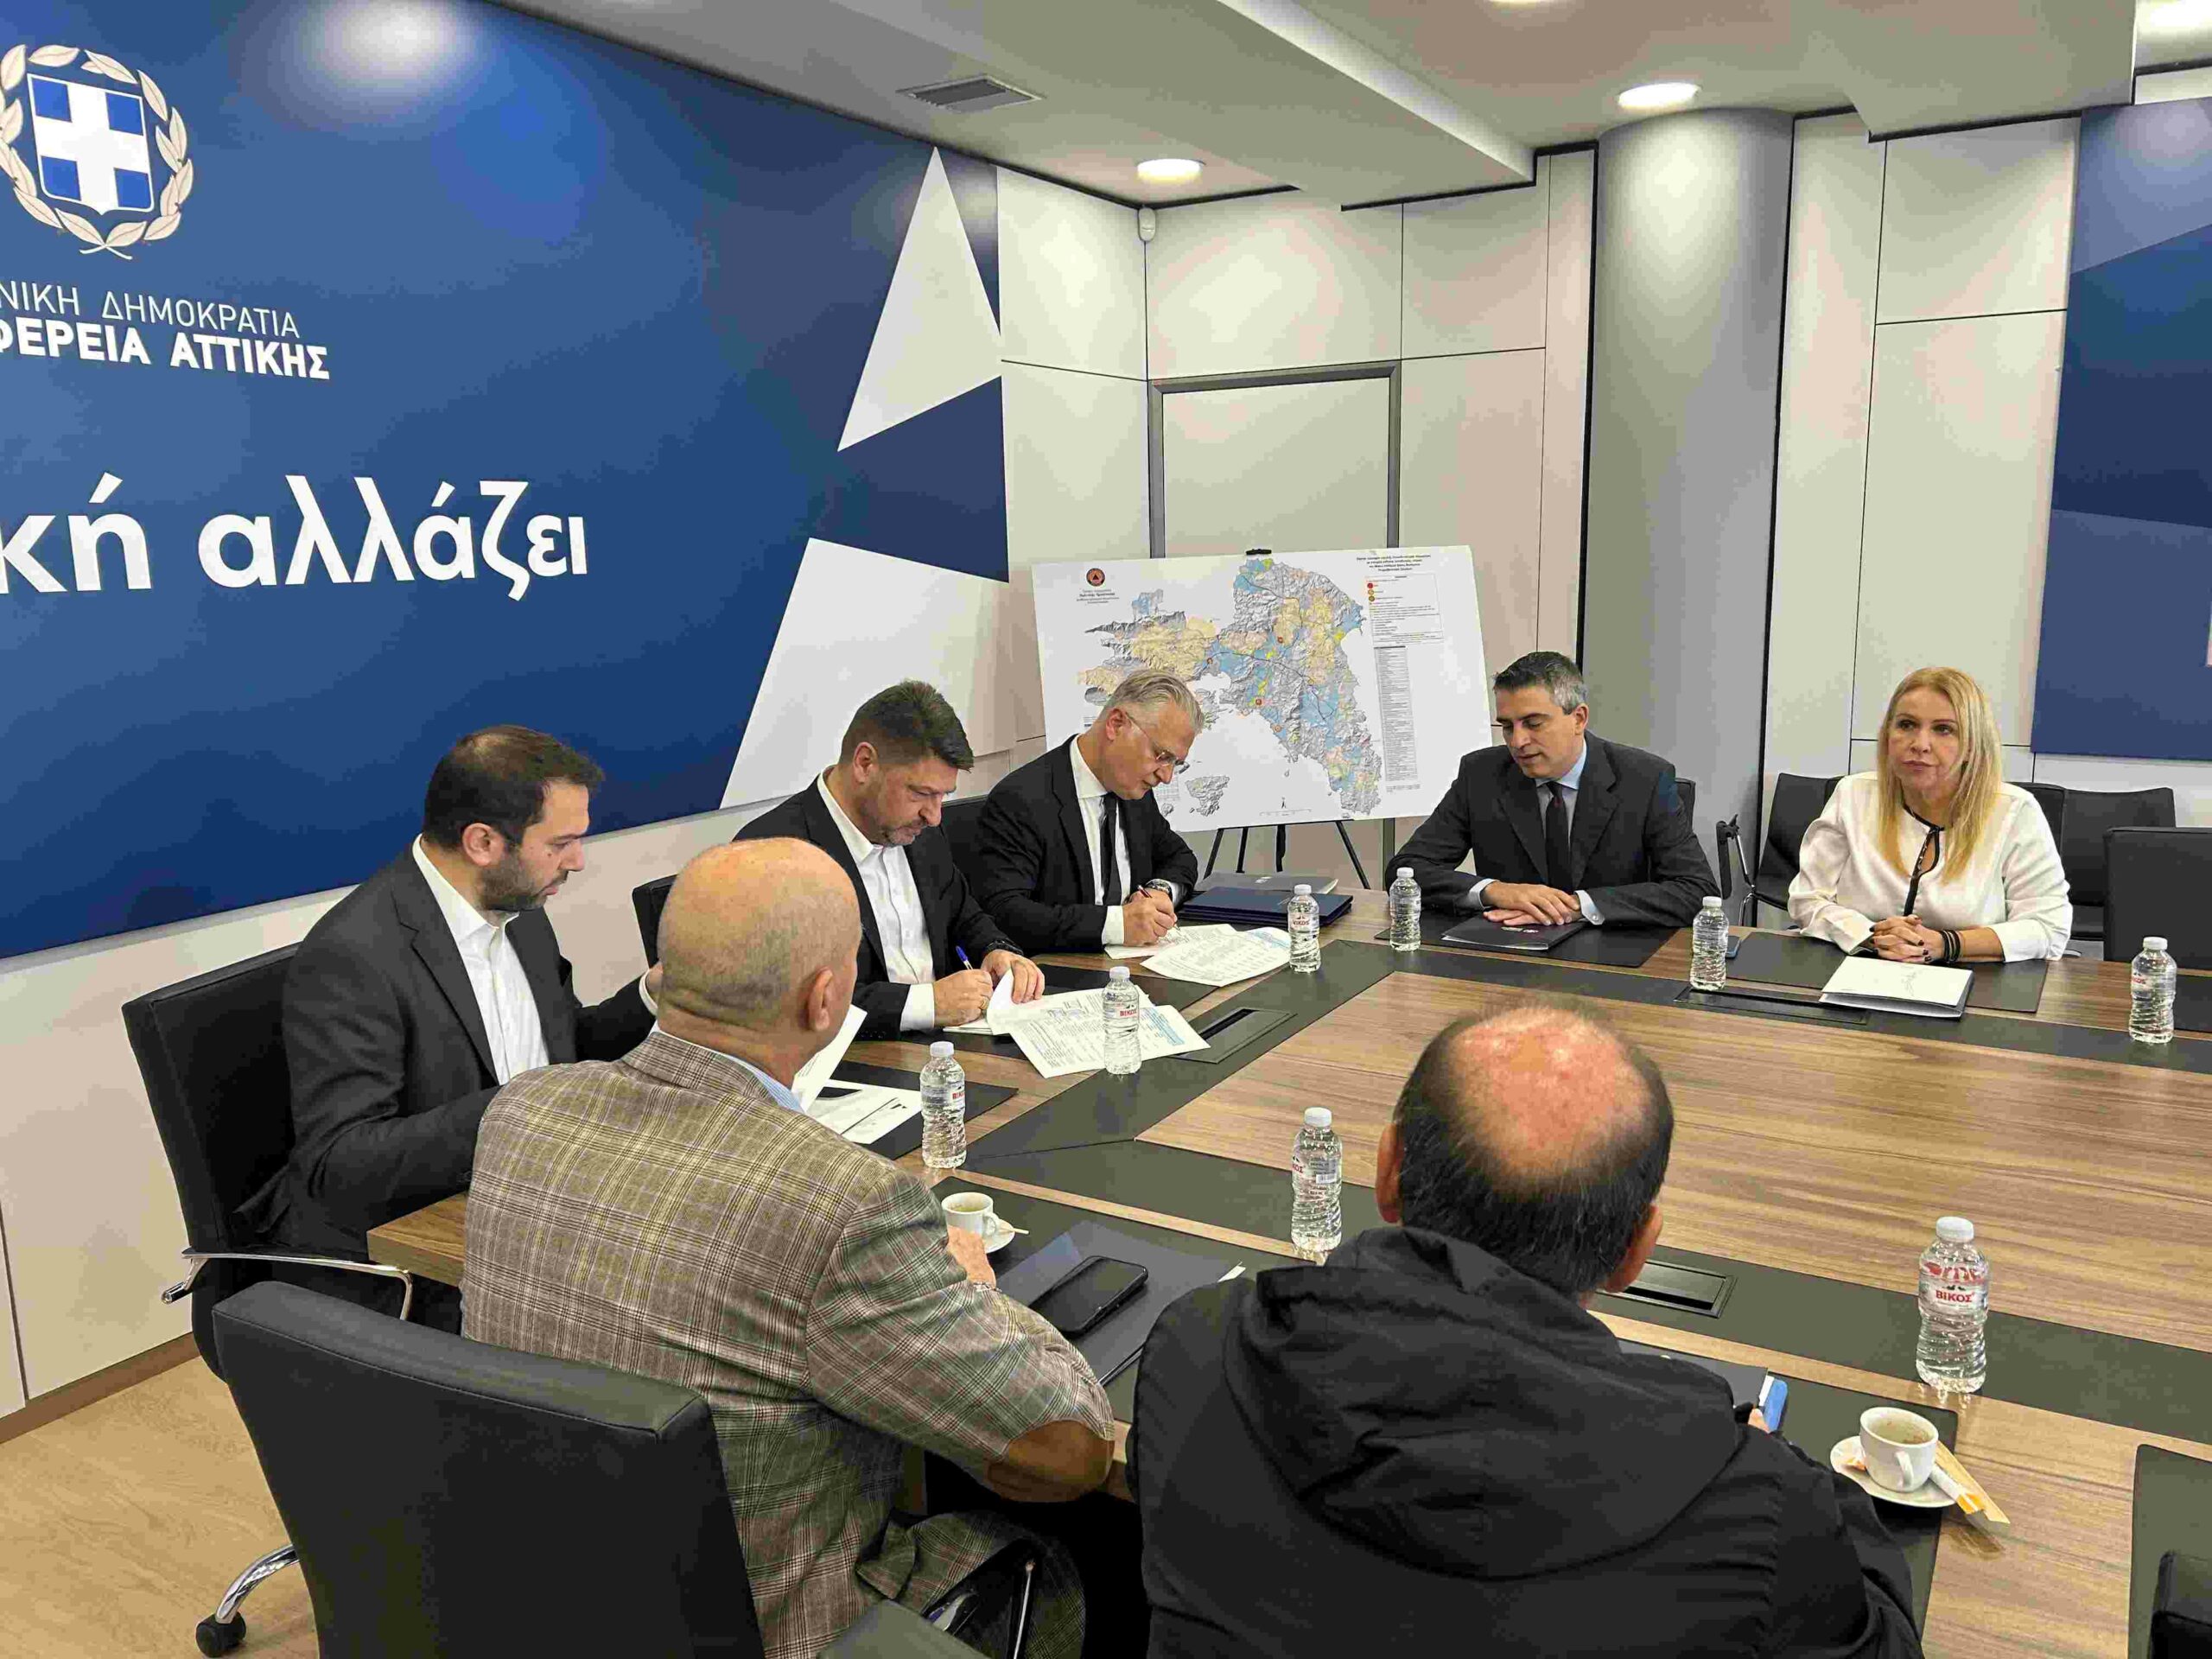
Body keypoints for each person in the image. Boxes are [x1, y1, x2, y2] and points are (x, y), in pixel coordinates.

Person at [464, 841, 1115, 1659]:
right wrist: (970, 1286)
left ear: (663, 974)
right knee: (1071, 1562)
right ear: (826, 999)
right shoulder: (844, 1204)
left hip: (533, 1595)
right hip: (768, 1629)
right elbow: (1068, 1448)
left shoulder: (520, 1112)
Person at [1130, 1007, 1922, 1658]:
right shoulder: (1753, 1511)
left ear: (1387, 1171)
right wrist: (1784, 1466)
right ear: (1636, 1253)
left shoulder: (1196, 1345)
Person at [236, 726, 656, 1330]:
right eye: (561, 843)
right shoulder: (355, 955)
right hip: (407, 1258)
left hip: (516, 1199)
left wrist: (652, 996)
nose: (577, 861)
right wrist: (515, 1107)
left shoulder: (520, 912)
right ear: (483, 842)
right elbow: (340, 1165)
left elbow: (564, 1048)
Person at [737, 681, 1042, 1038]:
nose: (935, 816)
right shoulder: (770, 854)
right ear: (865, 764)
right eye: (921, 793)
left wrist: (996, 950)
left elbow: (962, 913)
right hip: (856, 1058)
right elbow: (792, 1002)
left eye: (943, 796)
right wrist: (926, 1004)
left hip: (947, 1044)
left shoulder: (919, 830)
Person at [1395, 651, 1717, 930]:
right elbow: (1407, 868)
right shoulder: (1481, 774)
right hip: (1509, 951)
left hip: (1613, 952)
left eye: (1533, 724)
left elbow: (1696, 890)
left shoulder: (1644, 779)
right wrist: (1495, 890)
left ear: (1579, 718)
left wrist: (1579, 906)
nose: (1517, 741)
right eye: (1507, 726)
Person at [1791, 667, 2069, 962]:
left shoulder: (2015, 811)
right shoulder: (1853, 795)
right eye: (1907, 725)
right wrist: (1872, 936)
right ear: (1887, 735)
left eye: (1943, 729)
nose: (1920, 744)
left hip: (1976, 978)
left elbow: (2048, 928)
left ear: (1972, 744)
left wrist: (1944, 944)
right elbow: (1807, 899)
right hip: (1860, 964)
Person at [975, 671, 1204, 954]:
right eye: (1162, 756)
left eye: (1175, 763)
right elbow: (1004, 913)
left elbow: (1179, 857)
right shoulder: (1022, 799)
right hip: (1061, 971)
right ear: (1116, 724)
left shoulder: (1134, 790)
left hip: (1133, 964)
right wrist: (1117, 924)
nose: (1167, 776)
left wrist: (1159, 890)